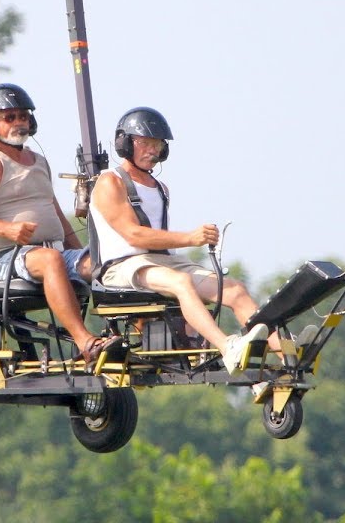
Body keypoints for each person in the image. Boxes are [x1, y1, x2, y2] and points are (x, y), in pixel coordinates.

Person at [88, 106, 278, 375]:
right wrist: (191, 238)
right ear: (125, 143)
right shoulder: (110, 182)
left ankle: (286, 353)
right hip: (121, 267)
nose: (152, 150)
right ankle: (227, 347)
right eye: (145, 143)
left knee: (234, 289)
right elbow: (133, 234)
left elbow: (157, 240)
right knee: (181, 282)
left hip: (160, 262)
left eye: (157, 144)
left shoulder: (161, 189)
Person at [0, 83, 123, 364]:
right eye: (9, 117)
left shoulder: (39, 161)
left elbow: (55, 213)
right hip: (6, 260)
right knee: (50, 260)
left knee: (108, 261)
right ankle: (87, 343)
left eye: (23, 116)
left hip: (53, 251)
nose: (18, 122)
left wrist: (85, 256)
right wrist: (6, 229)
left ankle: (133, 337)